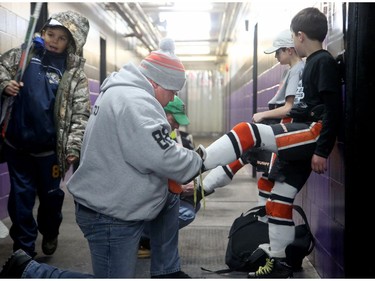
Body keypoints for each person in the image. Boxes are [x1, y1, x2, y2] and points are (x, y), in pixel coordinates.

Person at [0, 37, 204, 278]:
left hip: (112, 201)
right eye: (172, 91)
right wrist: (200, 160)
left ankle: (166, 272)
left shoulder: (126, 92)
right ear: (157, 83)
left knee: (170, 198)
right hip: (108, 215)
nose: (172, 99)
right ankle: (32, 272)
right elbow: (167, 159)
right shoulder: (137, 103)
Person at [197, 7, 340, 278]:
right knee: (279, 201)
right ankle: (279, 263)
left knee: (247, 132)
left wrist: (321, 150)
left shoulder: (322, 62)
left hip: (312, 132)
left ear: (299, 36)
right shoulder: (312, 63)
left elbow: (332, 109)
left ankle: (197, 162)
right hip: (304, 131)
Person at [0, 11, 91, 258]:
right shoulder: (23, 56)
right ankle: (24, 252)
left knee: (51, 202)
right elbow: (0, 69)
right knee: (20, 202)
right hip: (17, 146)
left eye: (62, 38)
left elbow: (79, 115)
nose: (54, 40)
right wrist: (4, 84)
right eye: (51, 34)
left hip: (50, 152)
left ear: (71, 44)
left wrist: (73, 147)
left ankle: (50, 232)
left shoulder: (73, 75)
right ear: (43, 33)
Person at [198, 29, 304, 211]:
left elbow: (288, 107)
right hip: (279, 124)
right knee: (248, 161)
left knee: (253, 161)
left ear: (289, 50)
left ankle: (203, 179)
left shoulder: (297, 70)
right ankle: (204, 185)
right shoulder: (290, 71)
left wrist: (262, 115)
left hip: (283, 126)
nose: (276, 57)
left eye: (278, 52)